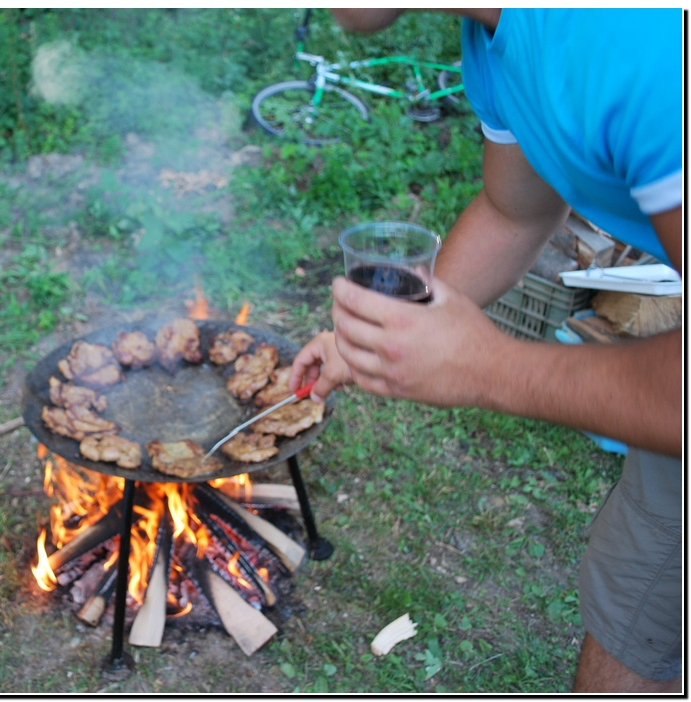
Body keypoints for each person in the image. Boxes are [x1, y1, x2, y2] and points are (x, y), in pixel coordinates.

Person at [289, 9, 683, 693]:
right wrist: (379, 338)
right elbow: (514, 211)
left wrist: (487, 367)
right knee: (637, 622)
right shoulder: (500, 39)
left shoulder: (638, 43)